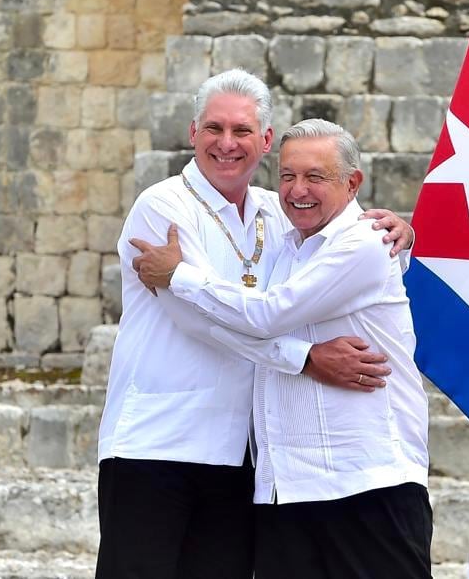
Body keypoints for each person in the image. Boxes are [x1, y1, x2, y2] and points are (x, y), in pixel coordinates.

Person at [96, 71, 414, 579]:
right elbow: (201, 322)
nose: (227, 143)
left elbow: (338, 247)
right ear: (192, 132)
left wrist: (398, 237)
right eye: (214, 129)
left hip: (240, 454)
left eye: (242, 131)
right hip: (156, 446)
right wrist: (305, 359)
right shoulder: (162, 207)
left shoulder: (277, 210)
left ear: (265, 140)